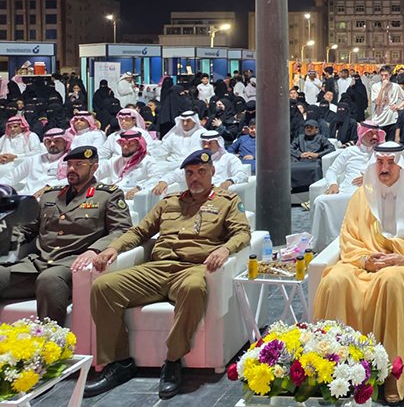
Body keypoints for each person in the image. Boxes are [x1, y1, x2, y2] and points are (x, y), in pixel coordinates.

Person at [85, 149, 251, 399]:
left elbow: (242, 233)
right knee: (104, 286)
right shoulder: (169, 202)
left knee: (194, 288)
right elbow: (140, 231)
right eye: (190, 173)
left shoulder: (226, 202)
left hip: (192, 269)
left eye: (201, 172)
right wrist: (113, 248)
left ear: (213, 173)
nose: (195, 178)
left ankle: (173, 361)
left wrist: (225, 249)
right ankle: (118, 363)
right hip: (157, 268)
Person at [311, 141, 404, 404]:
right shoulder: (361, 196)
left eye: (391, 163)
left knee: (390, 281)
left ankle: (388, 373)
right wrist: (365, 260)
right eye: (380, 162)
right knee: (334, 279)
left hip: (402, 269)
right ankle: (331, 368)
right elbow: (347, 239)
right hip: (362, 264)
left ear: (400, 166)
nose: (385, 168)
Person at [0, 145, 132, 325]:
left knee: (49, 280)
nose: (71, 169)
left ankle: (51, 343)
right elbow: (28, 230)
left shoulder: (107, 195)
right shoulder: (50, 195)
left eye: (79, 165)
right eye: (69, 164)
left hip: (73, 265)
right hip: (37, 263)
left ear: (94, 167)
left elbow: (121, 229)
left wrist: (95, 250)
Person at [308, 122, 385, 248]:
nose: (374, 137)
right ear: (362, 134)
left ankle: (357, 240)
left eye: (376, 134)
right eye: (370, 133)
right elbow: (332, 170)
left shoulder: (382, 152)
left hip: (370, 191)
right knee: (320, 201)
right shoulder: (350, 151)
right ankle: (322, 245)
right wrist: (333, 184)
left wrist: (370, 178)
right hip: (346, 190)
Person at [9, 128, 69, 195]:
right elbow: (11, 177)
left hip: (50, 198)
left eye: (57, 141)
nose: (52, 144)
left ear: (66, 142)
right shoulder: (34, 159)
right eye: (48, 141)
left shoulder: (71, 160)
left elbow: (77, 179)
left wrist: (51, 186)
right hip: (25, 197)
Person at [290, 120, 335, 194]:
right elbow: (290, 148)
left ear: (316, 130)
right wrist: (300, 154)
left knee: (316, 168)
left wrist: (317, 154)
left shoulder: (321, 138)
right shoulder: (300, 138)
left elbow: (331, 148)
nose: (308, 129)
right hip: (301, 160)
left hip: (314, 161)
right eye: (307, 127)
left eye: (311, 127)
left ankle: (314, 192)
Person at [370, 67, 404, 138]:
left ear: (390, 75)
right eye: (382, 75)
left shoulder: (395, 86)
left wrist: (398, 106)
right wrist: (382, 89)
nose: (384, 77)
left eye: (386, 75)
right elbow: (378, 103)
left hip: (392, 118)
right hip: (379, 118)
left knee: (390, 141)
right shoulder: (375, 86)